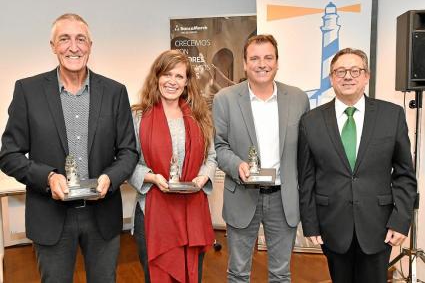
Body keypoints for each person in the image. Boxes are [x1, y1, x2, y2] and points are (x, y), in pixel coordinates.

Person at [0, 13, 138, 282]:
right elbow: (9, 154)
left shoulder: (115, 92)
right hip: (51, 218)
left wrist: (110, 177)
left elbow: (128, 151)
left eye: (80, 39)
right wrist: (48, 177)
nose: (73, 47)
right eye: (64, 39)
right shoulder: (28, 91)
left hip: (102, 214)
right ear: (53, 46)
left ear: (90, 45)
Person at [298, 47, 417, 282]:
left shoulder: (391, 115)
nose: (348, 76)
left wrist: (401, 221)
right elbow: (306, 178)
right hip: (332, 226)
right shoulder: (310, 122)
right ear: (331, 78)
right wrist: (310, 224)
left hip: (380, 227)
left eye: (355, 70)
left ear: (366, 76)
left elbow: (404, 175)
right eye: (340, 71)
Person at [212, 34, 310, 282]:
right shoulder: (224, 99)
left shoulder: (298, 98)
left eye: (268, 57)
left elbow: (306, 152)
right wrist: (237, 165)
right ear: (245, 63)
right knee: (238, 273)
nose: (262, 64)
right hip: (243, 195)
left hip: (283, 199)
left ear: (277, 62)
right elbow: (219, 146)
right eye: (254, 58)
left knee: (280, 274)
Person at [128, 49, 217, 283]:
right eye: (167, 74)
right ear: (157, 77)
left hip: (192, 214)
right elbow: (127, 162)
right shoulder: (138, 116)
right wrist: (152, 177)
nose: (172, 81)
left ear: (187, 82)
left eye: (179, 76)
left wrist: (203, 177)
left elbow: (211, 157)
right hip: (153, 214)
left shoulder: (200, 116)